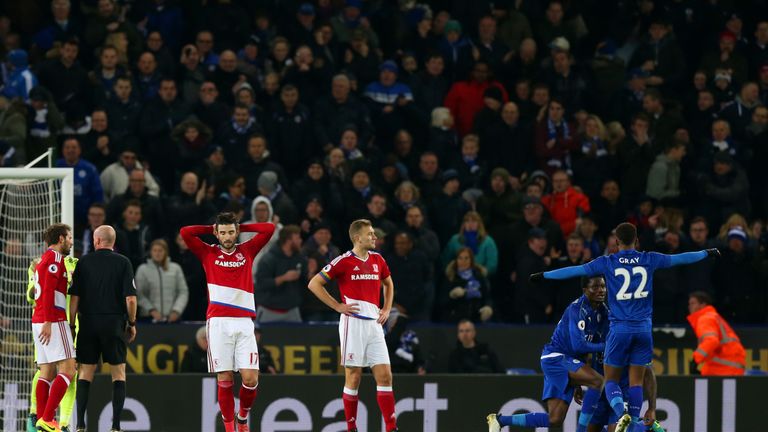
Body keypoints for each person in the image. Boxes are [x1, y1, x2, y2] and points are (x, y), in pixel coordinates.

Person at [530, 222, 720, 432]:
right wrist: (706, 253)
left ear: (616, 242)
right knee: (636, 381)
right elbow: (681, 258)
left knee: (609, 380)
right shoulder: (649, 258)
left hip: (620, 329)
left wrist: (544, 275)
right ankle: (634, 420)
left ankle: (622, 414)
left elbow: (574, 270)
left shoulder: (607, 262)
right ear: (637, 241)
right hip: (644, 329)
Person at [180, 213, 275, 432]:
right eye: (222, 233)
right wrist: (211, 228)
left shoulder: (247, 250)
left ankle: (242, 417)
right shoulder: (208, 252)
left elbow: (269, 228)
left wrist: (241, 227)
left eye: (231, 232)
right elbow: (186, 232)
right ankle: (230, 428)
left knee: (250, 379)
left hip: (244, 322)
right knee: (225, 376)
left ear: (237, 231)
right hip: (219, 322)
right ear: (217, 233)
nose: (227, 237)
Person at [307, 219, 399, 432]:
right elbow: (314, 283)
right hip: (353, 323)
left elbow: (388, 283)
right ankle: (351, 427)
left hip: (374, 324)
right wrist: (337, 306)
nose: (374, 237)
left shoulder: (378, 259)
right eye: (370, 234)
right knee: (354, 376)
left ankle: (391, 427)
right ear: (357, 238)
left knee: (385, 376)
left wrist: (386, 308)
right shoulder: (343, 261)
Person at [487, 275, 607, 431]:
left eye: (603, 286)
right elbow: (579, 346)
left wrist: (577, 381)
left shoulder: (602, 310)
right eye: (595, 287)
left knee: (555, 419)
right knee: (598, 381)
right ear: (585, 290)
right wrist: (605, 346)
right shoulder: (577, 309)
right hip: (556, 358)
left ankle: (500, 420)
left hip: (567, 361)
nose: (601, 290)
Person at [68, 225, 138, 432]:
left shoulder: (83, 262)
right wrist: (132, 323)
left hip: (88, 323)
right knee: (118, 373)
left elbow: (75, 297)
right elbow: (131, 299)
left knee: (85, 372)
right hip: (114, 323)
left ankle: (80, 425)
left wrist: (72, 324)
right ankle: (115, 427)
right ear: (113, 242)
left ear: (97, 241)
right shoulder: (123, 262)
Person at [30, 224, 76, 432]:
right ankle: (48, 418)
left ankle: (42, 421)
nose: (71, 242)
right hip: (53, 320)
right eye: (69, 238)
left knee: (46, 372)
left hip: (39, 320)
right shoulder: (55, 259)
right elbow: (48, 290)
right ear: (60, 239)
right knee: (69, 369)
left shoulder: (43, 260)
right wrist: (49, 321)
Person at [687, 291, 746, 375]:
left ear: (703, 305)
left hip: (724, 368)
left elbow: (711, 341)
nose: (689, 306)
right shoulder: (713, 316)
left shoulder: (705, 319)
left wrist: (696, 360)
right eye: (689, 304)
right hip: (730, 366)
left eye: (693, 303)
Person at [135, 239, 189, 323]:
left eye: (160, 250)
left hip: (172, 318)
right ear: (150, 252)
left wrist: (176, 310)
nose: (157, 253)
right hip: (148, 318)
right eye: (155, 250)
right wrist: (151, 310)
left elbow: (183, 292)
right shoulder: (142, 269)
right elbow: (139, 293)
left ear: (165, 252)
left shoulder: (176, 268)